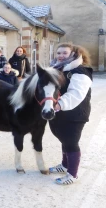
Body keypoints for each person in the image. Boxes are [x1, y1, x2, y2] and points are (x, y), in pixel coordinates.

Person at [49, 43, 92, 185]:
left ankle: (72, 174)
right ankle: (65, 164)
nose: (61, 56)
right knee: (64, 139)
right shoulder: (57, 69)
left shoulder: (80, 71)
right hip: (60, 112)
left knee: (71, 142)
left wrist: (60, 104)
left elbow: (76, 94)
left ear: (73, 54)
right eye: (58, 53)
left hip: (75, 114)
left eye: (64, 53)